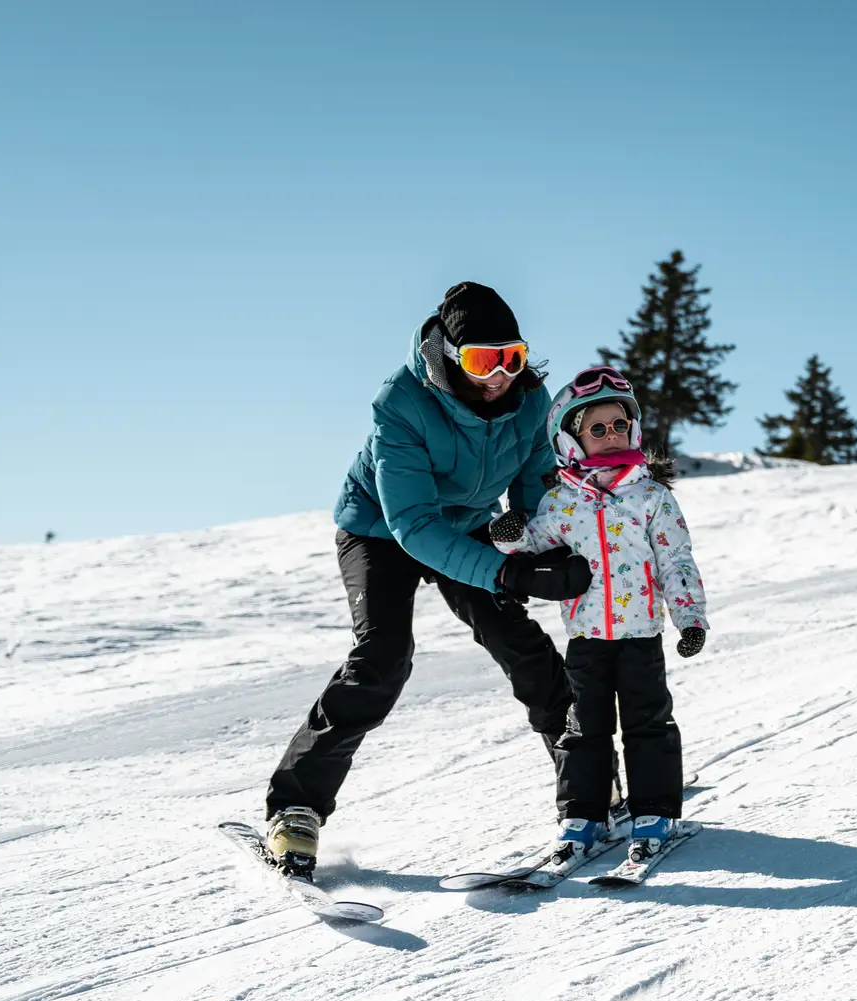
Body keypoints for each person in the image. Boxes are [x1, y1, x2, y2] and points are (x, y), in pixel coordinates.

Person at [263, 282, 593, 876]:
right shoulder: (401, 401)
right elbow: (413, 522)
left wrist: (554, 550)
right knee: (384, 654)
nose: (498, 376)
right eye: (480, 360)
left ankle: (588, 780)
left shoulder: (531, 400)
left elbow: (539, 487)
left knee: (515, 639)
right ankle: (294, 809)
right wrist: (508, 570)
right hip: (382, 531)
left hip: (466, 524)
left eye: (510, 358)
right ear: (448, 357)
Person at [487, 365, 709, 867]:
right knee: (583, 727)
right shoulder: (562, 503)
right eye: (598, 428)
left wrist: (690, 618)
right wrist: (509, 532)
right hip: (587, 636)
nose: (612, 435)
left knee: (647, 721)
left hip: (640, 635)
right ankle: (582, 815)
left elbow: (676, 561)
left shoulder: (652, 497)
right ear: (571, 440)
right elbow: (533, 543)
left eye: (619, 425)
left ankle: (654, 811)